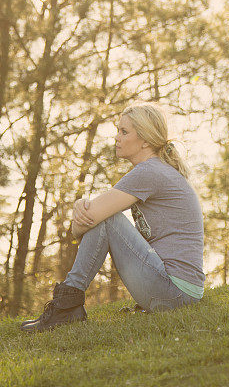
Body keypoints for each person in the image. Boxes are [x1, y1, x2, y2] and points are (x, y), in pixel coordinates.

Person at [21, 101, 205, 332]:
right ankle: (68, 304)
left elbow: (90, 221)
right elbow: (85, 223)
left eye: (124, 132)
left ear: (145, 140)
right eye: (118, 130)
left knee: (109, 219)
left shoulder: (149, 172)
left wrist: (82, 210)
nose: (116, 137)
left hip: (175, 293)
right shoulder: (155, 170)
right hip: (181, 292)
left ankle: (67, 304)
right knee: (106, 218)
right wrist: (83, 209)